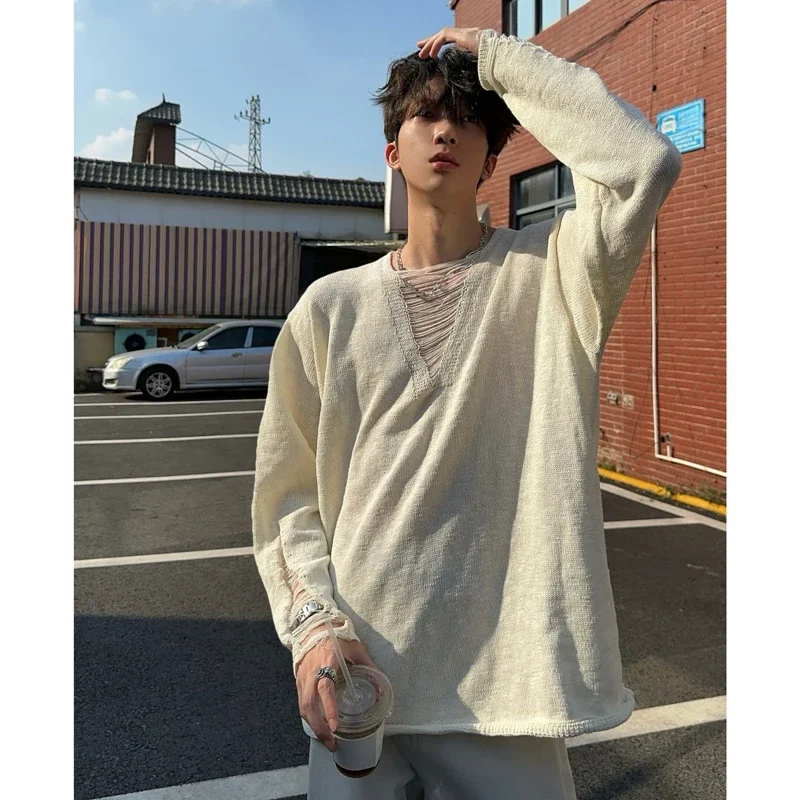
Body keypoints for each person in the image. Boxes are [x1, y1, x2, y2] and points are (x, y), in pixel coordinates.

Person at [252, 26, 682, 800]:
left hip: (508, 694)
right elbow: (286, 497)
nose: (446, 130)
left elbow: (642, 163)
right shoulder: (329, 308)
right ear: (392, 151)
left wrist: (496, 54)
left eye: (468, 119)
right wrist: (312, 627)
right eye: (425, 115)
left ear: (491, 158)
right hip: (360, 678)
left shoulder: (555, 273)